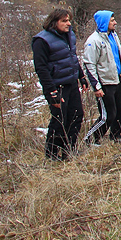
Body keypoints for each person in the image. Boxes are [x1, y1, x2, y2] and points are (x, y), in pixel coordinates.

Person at [32, 8, 89, 160]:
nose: (68, 24)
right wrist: (51, 92)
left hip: (71, 83)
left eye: (69, 20)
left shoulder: (69, 36)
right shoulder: (41, 40)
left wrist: (81, 76)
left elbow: (72, 57)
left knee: (76, 116)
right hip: (57, 86)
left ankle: (68, 150)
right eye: (64, 21)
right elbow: (41, 69)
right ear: (53, 22)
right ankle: (51, 154)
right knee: (59, 119)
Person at [83, 10, 121, 144]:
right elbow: (89, 65)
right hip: (104, 83)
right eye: (112, 20)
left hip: (116, 79)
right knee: (108, 115)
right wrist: (96, 87)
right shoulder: (93, 41)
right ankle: (91, 139)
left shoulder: (113, 36)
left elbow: (120, 57)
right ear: (104, 22)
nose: (115, 23)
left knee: (119, 110)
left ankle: (116, 136)